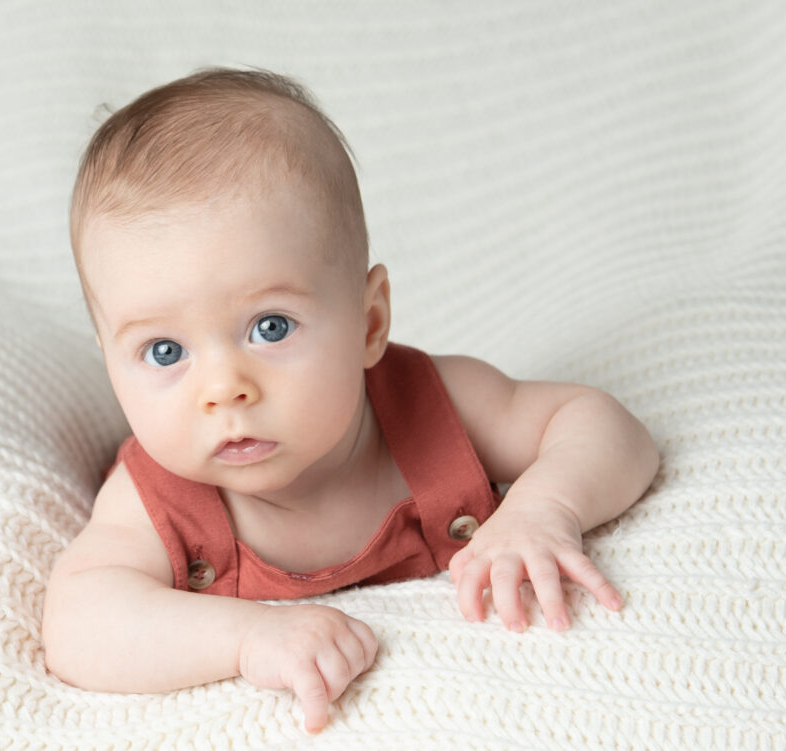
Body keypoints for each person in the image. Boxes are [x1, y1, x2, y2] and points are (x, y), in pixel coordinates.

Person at [41, 67, 659, 734]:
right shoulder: (158, 496)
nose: (224, 389)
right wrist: (248, 639)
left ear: (369, 323)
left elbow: (605, 427)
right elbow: (79, 623)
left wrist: (544, 509)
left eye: (270, 326)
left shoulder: (433, 407)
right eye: (165, 351)